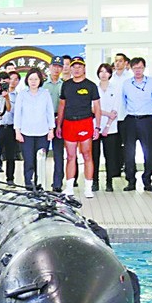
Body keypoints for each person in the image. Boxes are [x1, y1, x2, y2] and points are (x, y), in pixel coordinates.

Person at [55, 56, 101, 198]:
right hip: (69, 123)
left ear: (84, 68)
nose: (76, 69)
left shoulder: (91, 85)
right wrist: (59, 125)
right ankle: (69, 187)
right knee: (70, 156)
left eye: (79, 67)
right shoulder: (66, 85)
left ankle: (88, 187)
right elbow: (61, 106)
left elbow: (97, 107)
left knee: (87, 154)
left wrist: (97, 127)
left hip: (85, 122)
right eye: (74, 67)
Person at [121, 57, 152, 193]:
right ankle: (131, 181)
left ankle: (147, 181)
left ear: (144, 68)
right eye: (135, 68)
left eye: (140, 68)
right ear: (131, 69)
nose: (138, 70)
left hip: (147, 120)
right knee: (129, 152)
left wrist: (151, 113)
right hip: (131, 120)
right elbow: (123, 101)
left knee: (148, 151)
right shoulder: (126, 84)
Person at [14, 68, 55, 189]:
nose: (33, 82)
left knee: (40, 161)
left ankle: (40, 184)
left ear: (40, 80)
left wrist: (51, 130)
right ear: (27, 80)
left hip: (43, 133)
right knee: (28, 161)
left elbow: (49, 112)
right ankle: (28, 184)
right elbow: (17, 114)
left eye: (36, 79)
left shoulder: (45, 93)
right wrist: (17, 131)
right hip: (26, 133)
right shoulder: (22, 94)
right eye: (31, 79)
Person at [93, 63, 121, 192]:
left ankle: (109, 182)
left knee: (110, 156)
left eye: (106, 71)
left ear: (110, 74)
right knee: (95, 156)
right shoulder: (94, 88)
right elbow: (92, 108)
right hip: (95, 126)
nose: (103, 74)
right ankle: (95, 181)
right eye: (101, 71)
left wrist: (107, 126)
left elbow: (115, 110)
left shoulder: (115, 88)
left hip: (111, 128)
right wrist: (106, 113)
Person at [44, 56, 65, 192]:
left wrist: (59, 121)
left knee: (58, 154)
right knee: (42, 152)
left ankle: (57, 184)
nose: (56, 69)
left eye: (59, 66)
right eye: (54, 66)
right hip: (44, 121)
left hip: (60, 120)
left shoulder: (65, 85)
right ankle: (39, 181)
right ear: (50, 67)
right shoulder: (42, 84)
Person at [0, 71, 20, 185]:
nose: (12, 82)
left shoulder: (18, 95)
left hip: (11, 127)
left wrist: (7, 98)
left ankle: (10, 178)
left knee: (11, 155)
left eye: (16, 79)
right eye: (10, 79)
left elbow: (15, 111)